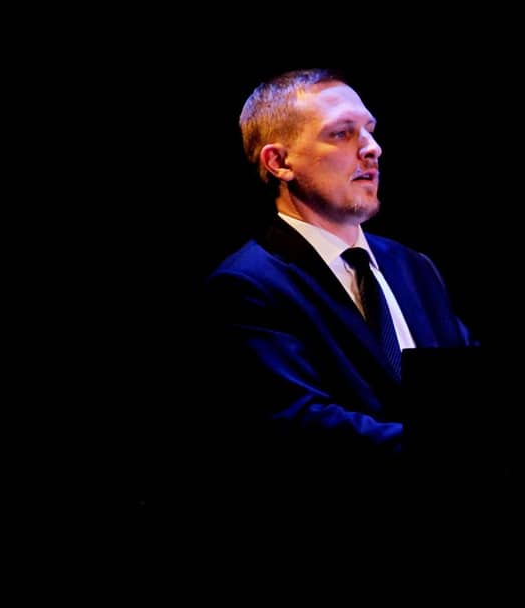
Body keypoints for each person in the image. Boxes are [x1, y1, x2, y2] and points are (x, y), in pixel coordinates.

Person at [203, 68, 475, 473]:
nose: (372, 149)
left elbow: (470, 384)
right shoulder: (247, 286)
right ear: (279, 161)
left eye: (370, 131)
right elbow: (301, 424)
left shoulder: (414, 267)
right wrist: (461, 448)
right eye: (342, 133)